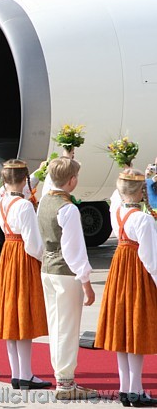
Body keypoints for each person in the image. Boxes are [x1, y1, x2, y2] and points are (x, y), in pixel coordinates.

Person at [95, 169, 157, 407]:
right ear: (141, 192)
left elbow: (114, 197)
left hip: (120, 267)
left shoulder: (117, 211)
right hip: (137, 272)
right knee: (136, 329)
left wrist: (126, 171)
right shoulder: (143, 219)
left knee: (122, 331)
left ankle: (125, 388)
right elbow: (150, 258)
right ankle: (136, 389)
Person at [37, 157, 96, 400]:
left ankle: (63, 377)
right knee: (67, 328)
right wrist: (86, 282)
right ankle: (65, 381)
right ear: (71, 181)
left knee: (57, 325)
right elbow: (74, 250)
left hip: (48, 268)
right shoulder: (68, 208)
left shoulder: (44, 202)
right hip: (64, 271)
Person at [0, 160, 50, 390]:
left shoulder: (2, 199)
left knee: (11, 317)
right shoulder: (24, 206)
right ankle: (26, 373)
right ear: (24, 180)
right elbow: (33, 244)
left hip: (8, 252)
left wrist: (38, 172)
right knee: (23, 316)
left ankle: (17, 372)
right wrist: (45, 258)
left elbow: (21, 185)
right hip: (23, 256)